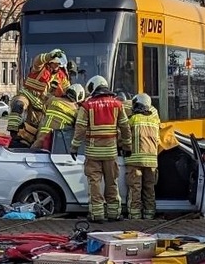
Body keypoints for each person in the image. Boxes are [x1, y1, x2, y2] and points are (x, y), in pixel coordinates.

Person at [71, 75, 131, 223]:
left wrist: (74, 147)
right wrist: (127, 146)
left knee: (95, 183)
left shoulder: (87, 106)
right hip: (111, 152)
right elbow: (125, 127)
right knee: (112, 182)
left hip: (93, 152)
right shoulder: (117, 104)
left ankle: (97, 215)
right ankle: (114, 213)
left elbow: (79, 128)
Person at [8, 49, 69, 147]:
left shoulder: (61, 76)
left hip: (43, 104)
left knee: (33, 128)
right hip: (28, 95)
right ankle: (13, 130)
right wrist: (49, 55)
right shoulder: (40, 68)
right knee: (18, 104)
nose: (57, 66)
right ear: (50, 62)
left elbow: (67, 90)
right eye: (55, 63)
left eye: (58, 64)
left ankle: (24, 142)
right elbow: (38, 60)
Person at [124, 93, 161, 219]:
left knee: (135, 189)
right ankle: (149, 215)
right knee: (149, 189)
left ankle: (135, 216)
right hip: (151, 162)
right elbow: (158, 141)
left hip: (135, 161)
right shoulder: (155, 121)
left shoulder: (133, 119)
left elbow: (123, 138)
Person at [32, 84, 85, 150]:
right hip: (56, 143)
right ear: (79, 98)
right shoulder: (75, 111)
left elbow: (43, 111)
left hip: (40, 138)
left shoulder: (52, 100)